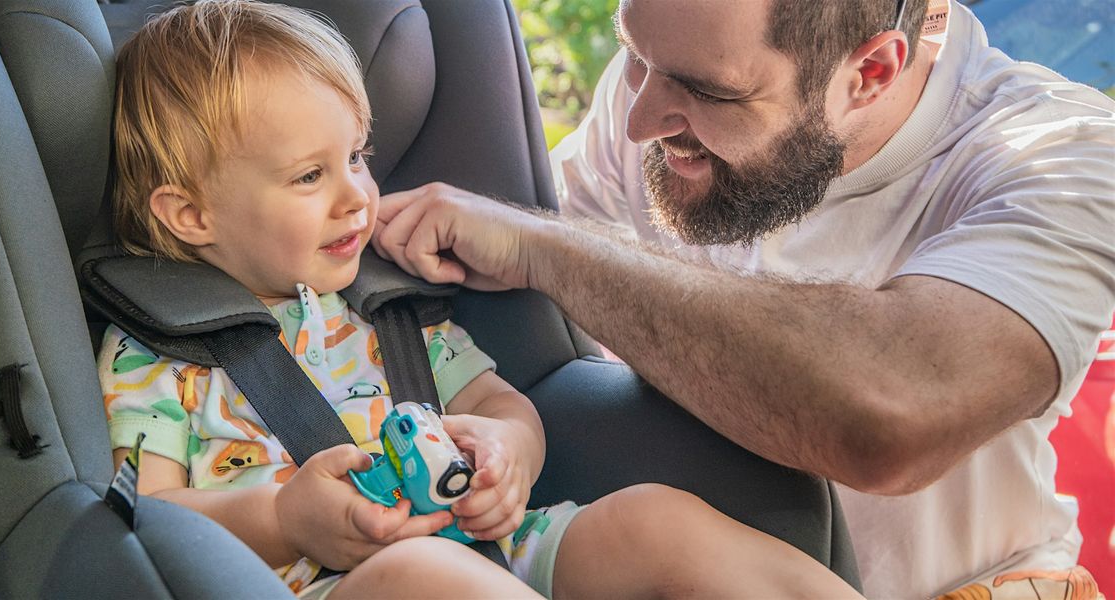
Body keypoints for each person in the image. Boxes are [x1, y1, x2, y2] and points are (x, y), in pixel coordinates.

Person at [97, 1, 864, 598]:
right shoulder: (157, 355)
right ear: (190, 214)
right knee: (422, 578)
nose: (356, 197)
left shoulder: (384, 313)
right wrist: (280, 517)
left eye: (358, 158)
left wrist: (508, 455)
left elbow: (501, 402)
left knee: (658, 523)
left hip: (499, 554)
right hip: (334, 584)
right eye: (309, 176)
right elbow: (151, 523)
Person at [371, 0, 1115, 598]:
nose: (638, 121)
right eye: (633, 52)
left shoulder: (1059, 154)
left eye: (708, 91)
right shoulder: (663, 89)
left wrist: (543, 249)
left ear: (872, 71)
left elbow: (896, 412)